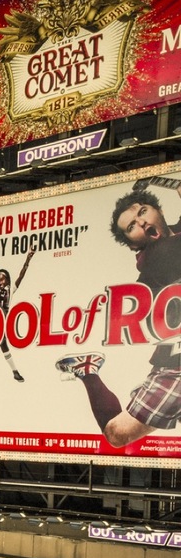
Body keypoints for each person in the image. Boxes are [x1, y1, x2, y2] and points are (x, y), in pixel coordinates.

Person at [60, 183, 181, 448]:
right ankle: (87, 370)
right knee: (117, 434)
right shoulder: (154, 257)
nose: (141, 222)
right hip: (177, 365)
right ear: (132, 243)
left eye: (143, 211)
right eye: (132, 227)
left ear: (158, 210)